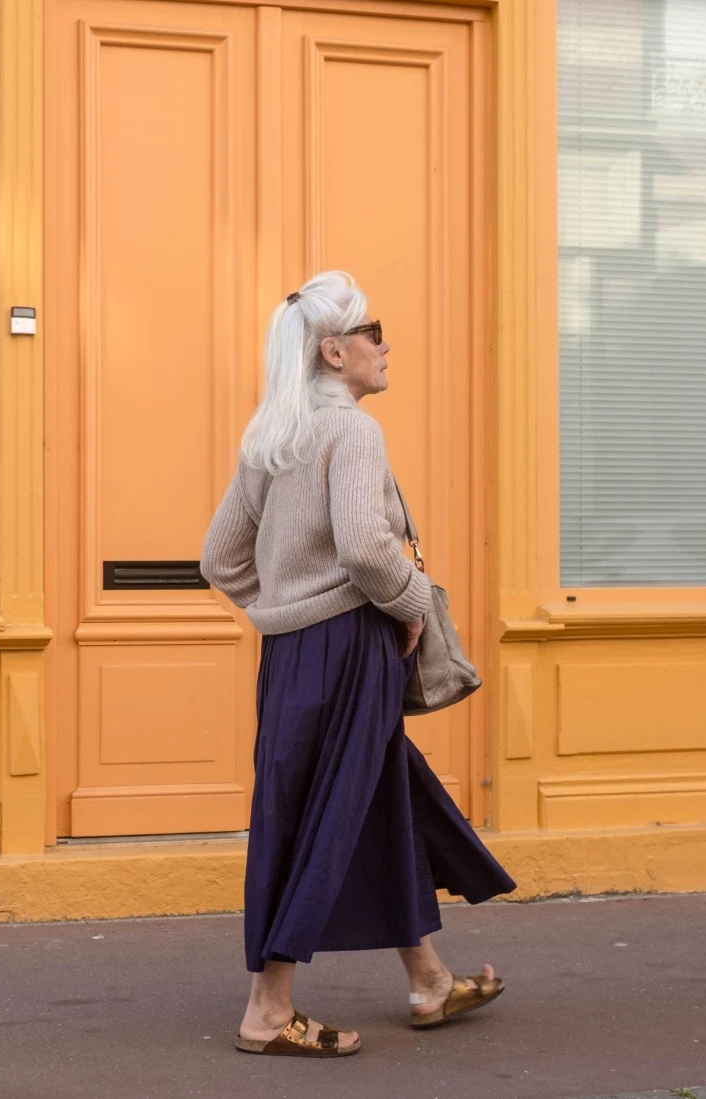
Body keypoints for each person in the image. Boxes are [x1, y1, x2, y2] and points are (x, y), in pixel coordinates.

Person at [201, 271, 517, 1058]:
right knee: (327, 808)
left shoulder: (272, 435)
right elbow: (367, 547)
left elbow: (219, 558)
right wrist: (413, 603)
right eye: (373, 331)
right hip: (349, 646)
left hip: (294, 653)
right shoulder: (351, 432)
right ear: (335, 351)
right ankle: (267, 1009)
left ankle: (429, 980)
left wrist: (284, 605)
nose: (386, 344)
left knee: (372, 796)